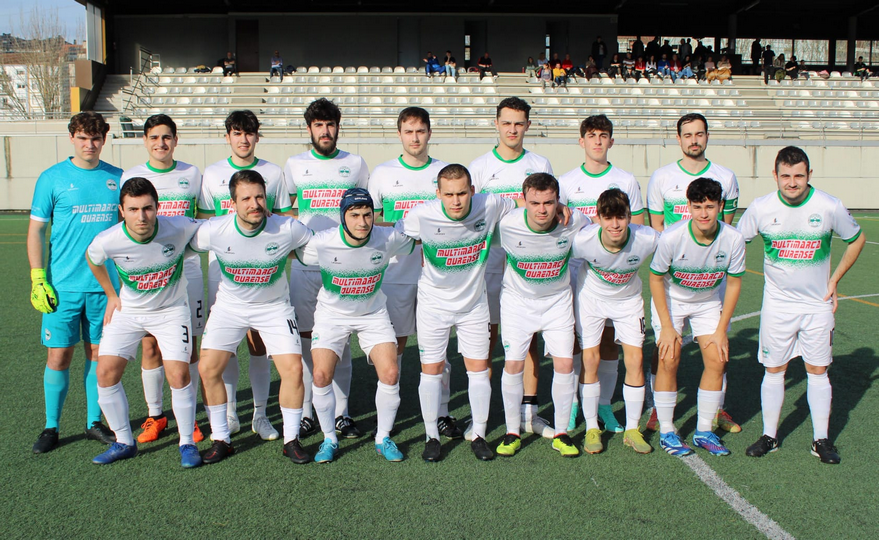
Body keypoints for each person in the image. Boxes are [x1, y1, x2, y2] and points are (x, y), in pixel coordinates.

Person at [396, 164, 570, 462]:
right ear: (438, 194)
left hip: (474, 305)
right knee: (431, 370)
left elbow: (523, 206)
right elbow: (395, 234)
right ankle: (431, 437)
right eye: (449, 194)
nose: (456, 201)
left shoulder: (490, 204)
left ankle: (478, 435)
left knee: (478, 370)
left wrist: (559, 207)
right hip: (433, 305)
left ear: (472, 191)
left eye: (462, 193)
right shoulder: (420, 215)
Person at [738, 146, 865, 464]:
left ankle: (821, 440)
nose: (792, 182)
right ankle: (769, 436)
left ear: (809, 175)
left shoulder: (828, 205)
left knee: (818, 371)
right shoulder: (761, 208)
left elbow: (857, 239)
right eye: (785, 176)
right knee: (774, 370)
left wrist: (834, 280)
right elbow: (736, 241)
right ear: (775, 175)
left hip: (817, 306)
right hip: (777, 307)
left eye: (798, 175)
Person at [191, 170, 313, 465]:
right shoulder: (214, 229)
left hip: (274, 307)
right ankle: (222, 438)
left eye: (259, 197)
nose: (254, 204)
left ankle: (291, 440)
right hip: (229, 307)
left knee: (293, 370)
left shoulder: (287, 227)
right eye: (246, 198)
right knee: (208, 368)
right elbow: (178, 242)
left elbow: (316, 248)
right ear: (232, 203)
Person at [86, 178, 202, 467]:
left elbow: (212, 229)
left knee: (179, 375)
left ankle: (187, 442)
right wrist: (111, 294)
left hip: (171, 310)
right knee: (105, 372)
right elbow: (93, 258)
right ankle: (125, 442)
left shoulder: (179, 226)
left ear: (157, 207)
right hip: (129, 311)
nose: (141, 216)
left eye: (148, 208)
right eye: (133, 209)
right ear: (122, 211)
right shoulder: (108, 239)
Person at [298, 188, 415, 464]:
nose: (362, 222)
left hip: (372, 313)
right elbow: (288, 251)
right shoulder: (323, 242)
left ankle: (383, 438)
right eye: (354, 215)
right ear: (343, 217)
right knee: (320, 376)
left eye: (367, 214)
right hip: (332, 315)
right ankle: (329, 438)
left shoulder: (387, 238)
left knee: (390, 373)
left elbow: (419, 236)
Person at [197, 110, 293, 442]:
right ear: (228, 137)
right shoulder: (212, 174)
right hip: (222, 271)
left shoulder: (273, 172)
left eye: (249, 133)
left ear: (257, 136)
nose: (243, 139)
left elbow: (284, 218)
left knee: (258, 344)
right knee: (225, 346)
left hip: (263, 274)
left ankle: (260, 414)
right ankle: (228, 413)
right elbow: (204, 221)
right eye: (237, 133)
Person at [28, 111, 121, 454]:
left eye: (95, 138)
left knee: (98, 354)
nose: (89, 145)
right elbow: (36, 230)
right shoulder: (51, 178)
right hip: (62, 287)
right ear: (71, 138)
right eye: (82, 138)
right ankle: (51, 426)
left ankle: (93, 423)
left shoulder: (118, 178)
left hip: (105, 289)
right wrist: (38, 278)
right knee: (59, 356)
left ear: (104, 140)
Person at [367, 107, 461, 439]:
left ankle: (442, 412)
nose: (415, 137)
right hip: (396, 274)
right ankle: (388, 417)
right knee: (394, 348)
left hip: (438, 277)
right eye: (408, 131)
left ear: (429, 133)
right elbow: (372, 223)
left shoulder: (443, 172)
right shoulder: (382, 173)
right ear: (399, 134)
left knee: (438, 350)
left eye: (420, 131)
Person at [646, 113, 740, 432]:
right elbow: (658, 226)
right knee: (666, 352)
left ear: (707, 136)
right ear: (679, 138)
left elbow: (725, 226)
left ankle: (716, 410)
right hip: (674, 276)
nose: (694, 140)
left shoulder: (726, 177)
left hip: (710, 279)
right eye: (688, 135)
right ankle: (660, 410)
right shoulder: (662, 177)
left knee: (718, 352)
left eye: (699, 134)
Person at [468, 97, 554, 439]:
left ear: (528, 125)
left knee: (528, 338)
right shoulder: (479, 166)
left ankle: (528, 413)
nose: (512, 129)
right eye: (506, 123)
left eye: (519, 123)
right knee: (486, 339)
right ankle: (484, 416)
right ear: (496, 124)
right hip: (490, 262)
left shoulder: (539, 163)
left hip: (527, 263)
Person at [284, 98, 369, 440]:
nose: (325, 131)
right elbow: (285, 211)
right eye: (318, 125)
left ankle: (341, 414)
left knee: (341, 340)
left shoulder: (355, 163)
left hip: (344, 267)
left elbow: (362, 211)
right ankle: (307, 412)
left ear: (338, 127)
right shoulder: (294, 164)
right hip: (306, 266)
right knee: (307, 339)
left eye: (330, 124)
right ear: (309, 129)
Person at [120, 114, 205, 445]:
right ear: (145, 141)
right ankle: (155, 415)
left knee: (189, 345)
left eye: (167, 137)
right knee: (150, 343)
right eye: (154, 137)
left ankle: (190, 416)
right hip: (148, 275)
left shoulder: (191, 174)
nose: (161, 143)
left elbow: (201, 219)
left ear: (175, 140)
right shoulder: (132, 176)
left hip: (188, 270)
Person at [558, 114, 646, 434]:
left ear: (611, 141)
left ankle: (605, 405)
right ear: (581, 141)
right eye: (592, 135)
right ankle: (573, 404)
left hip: (613, 276)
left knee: (609, 343)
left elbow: (637, 228)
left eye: (603, 135)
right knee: (575, 343)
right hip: (575, 273)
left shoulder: (626, 180)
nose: (597, 141)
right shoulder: (566, 182)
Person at [649, 178, 746, 457]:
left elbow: (734, 284)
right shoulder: (671, 237)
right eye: (697, 207)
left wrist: (722, 329)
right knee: (669, 358)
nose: (704, 213)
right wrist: (667, 326)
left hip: (708, 301)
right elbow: (655, 279)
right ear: (688, 207)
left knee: (718, 358)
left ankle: (704, 431)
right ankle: (667, 431)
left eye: (710, 207)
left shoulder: (733, 239)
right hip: (673, 300)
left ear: (721, 206)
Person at [495, 173, 588, 458]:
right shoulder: (507, 224)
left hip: (557, 302)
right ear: (523, 200)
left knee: (565, 364)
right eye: (535, 203)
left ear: (558, 200)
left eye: (549, 202)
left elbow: (600, 234)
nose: (542, 210)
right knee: (513, 364)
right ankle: (512, 431)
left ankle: (561, 433)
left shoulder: (575, 221)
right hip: (517, 303)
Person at [572, 189, 658, 455]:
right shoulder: (583, 240)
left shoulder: (647, 238)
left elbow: (674, 249)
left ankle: (632, 429)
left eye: (621, 217)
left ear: (630, 217)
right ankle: (591, 428)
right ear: (598, 218)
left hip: (628, 300)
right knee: (590, 359)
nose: (615, 224)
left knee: (635, 359)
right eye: (608, 218)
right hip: (592, 299)